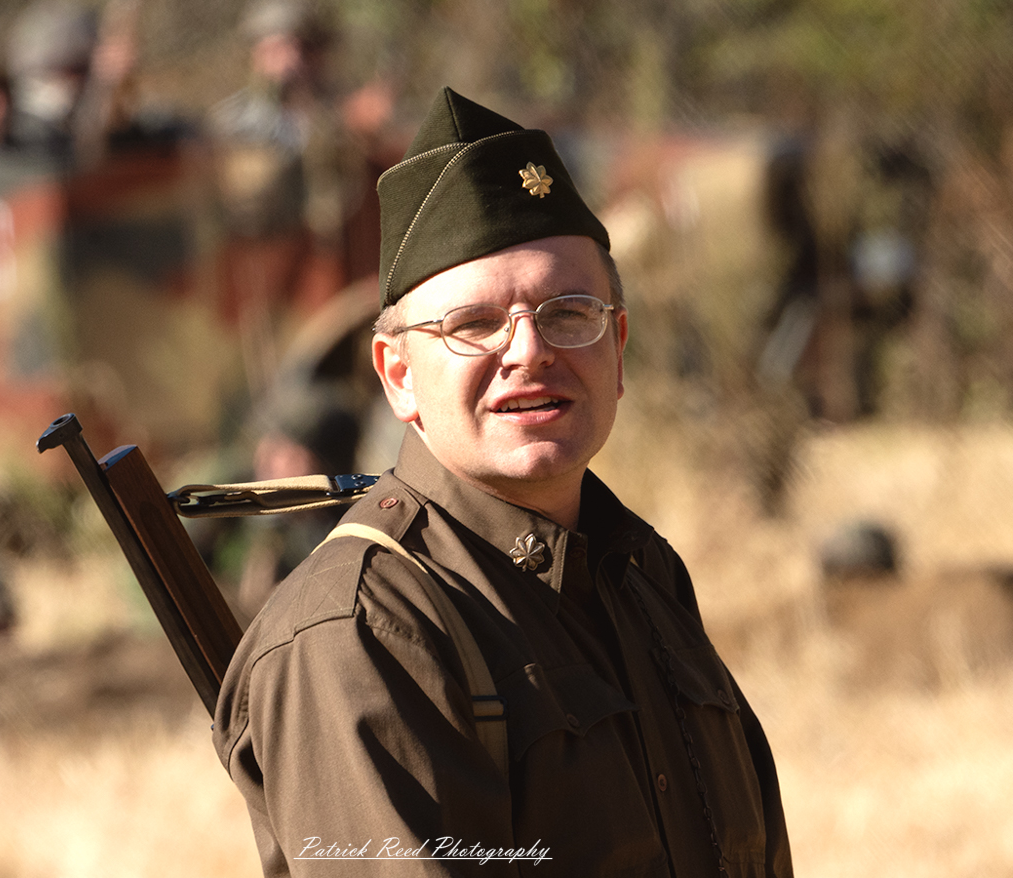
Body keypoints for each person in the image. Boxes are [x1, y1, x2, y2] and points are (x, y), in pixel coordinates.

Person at [212, 88, 794, 877]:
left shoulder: (639, 570)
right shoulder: (363, 636)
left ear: (617, 347)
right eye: (475, 324)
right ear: (398, 376)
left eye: (569, 312)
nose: (529, 351)